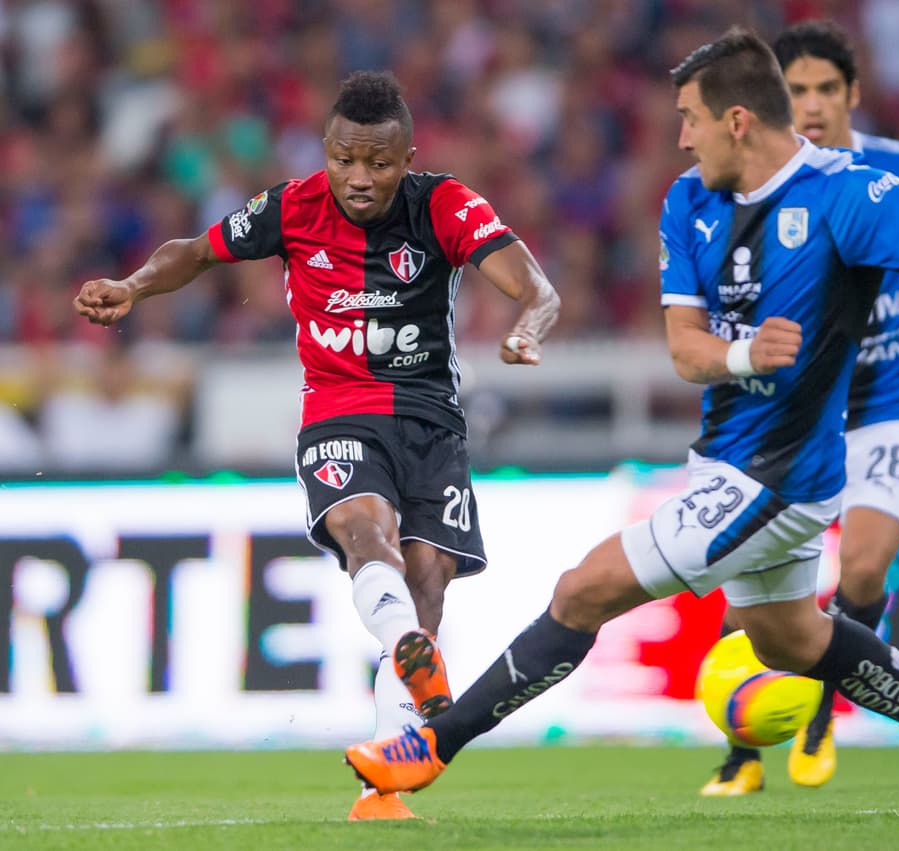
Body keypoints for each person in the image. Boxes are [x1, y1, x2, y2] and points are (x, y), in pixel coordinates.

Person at [344, 29, 899, 820]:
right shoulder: (688, 201)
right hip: (724, 462)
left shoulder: (853, 193)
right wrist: (744, 355)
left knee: (582, 589)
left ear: (737, 120)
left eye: (690, 119)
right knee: (791, 640)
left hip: (782, 476)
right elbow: (685, 349)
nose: (680, 138)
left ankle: (433, 746)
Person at [73, 71, 560, 821]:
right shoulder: (290, 206)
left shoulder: (445, 205)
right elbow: (195, 252)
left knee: (428, 580)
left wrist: (528, 326)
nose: (358, 177)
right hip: (339, 410)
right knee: (367, 532)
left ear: (407, 159)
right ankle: (406, 649)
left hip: (430, 419)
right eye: (343, 159)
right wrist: (133, 286)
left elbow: (534, 286)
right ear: (325, 151)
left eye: (378, 162)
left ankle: (383, 783)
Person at [702, 19, 899, 797]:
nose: (812, 105)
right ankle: (743, 754)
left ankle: (819, 715)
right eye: (796, 91)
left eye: (826, 88)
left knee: (867, 565)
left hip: (887, 399)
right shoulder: (752, 187)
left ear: (853, 93)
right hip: (796, 412)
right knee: (751, 588)